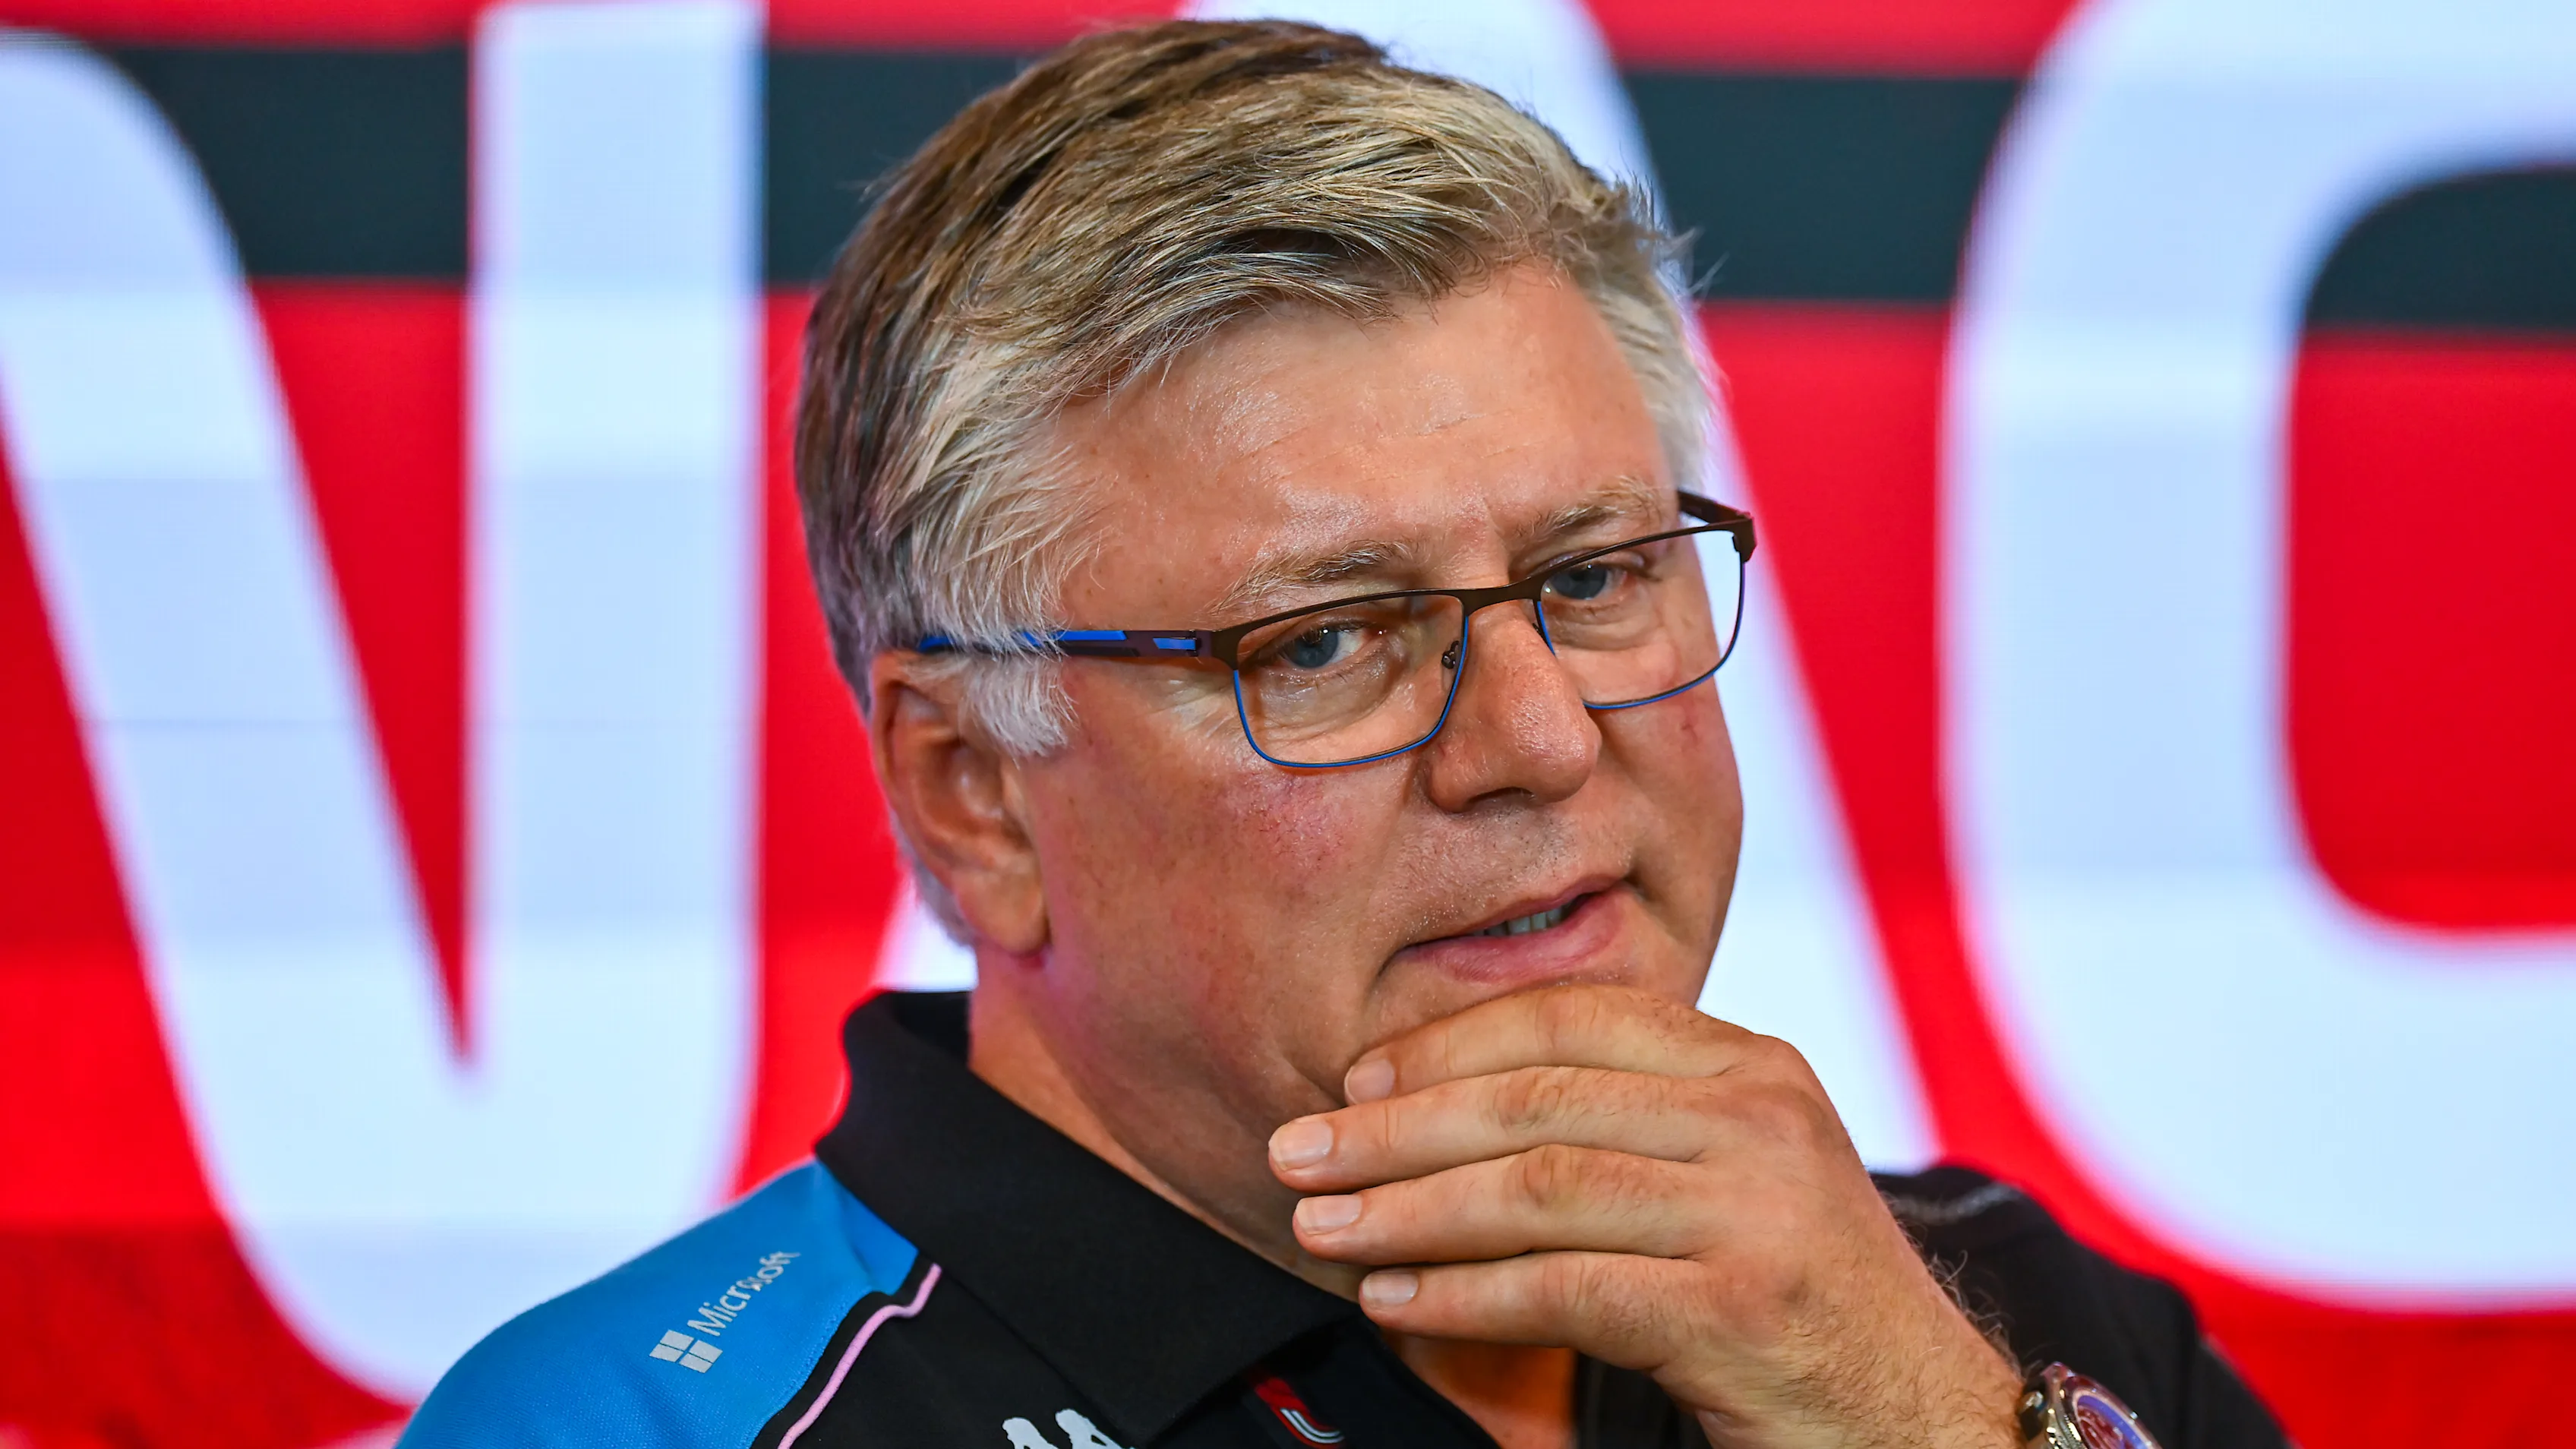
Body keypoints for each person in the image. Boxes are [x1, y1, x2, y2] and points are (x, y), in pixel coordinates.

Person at [402, 21, 2287, 1449]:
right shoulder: (637, 1427)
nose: (1537, 739)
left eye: (1593, 575)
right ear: (971, 794)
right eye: (1324, 645)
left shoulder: (1985, 1312)